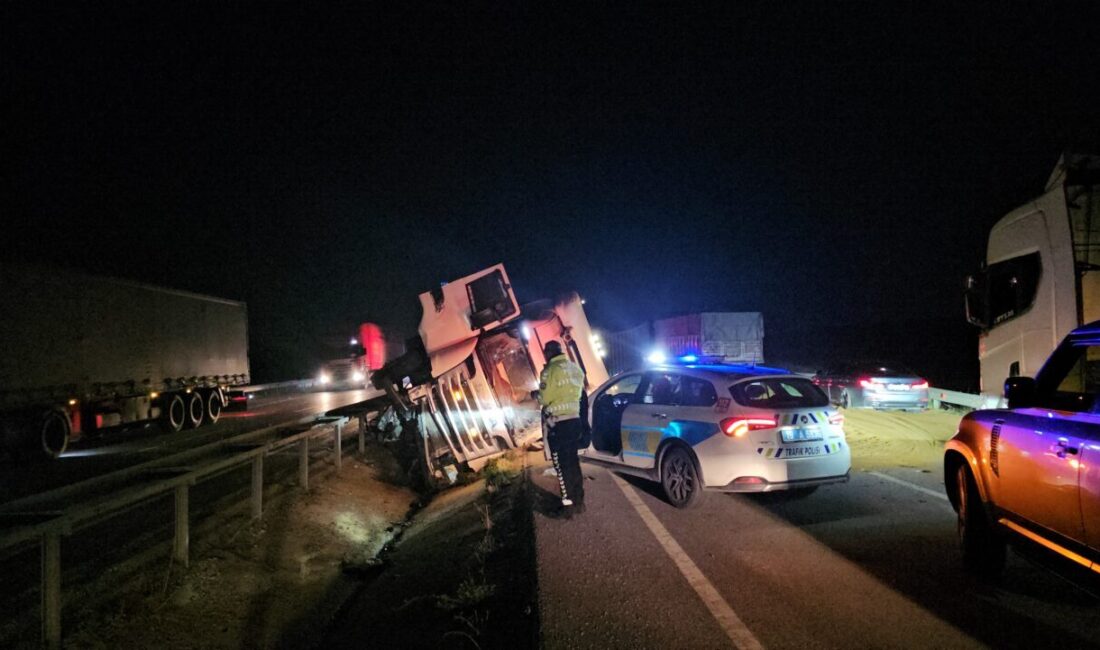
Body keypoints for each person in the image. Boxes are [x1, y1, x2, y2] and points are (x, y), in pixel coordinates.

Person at [537, 340, 587, 517]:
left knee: (561, 466)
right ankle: (579, 502)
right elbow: (580, 393)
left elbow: (544, 399)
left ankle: (568, 507)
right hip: (574, 421)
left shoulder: (549, 371)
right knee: (573, 463)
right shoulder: (575, 368)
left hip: (558, 425)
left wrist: (537, 394)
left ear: (548, 353)